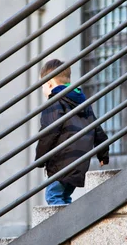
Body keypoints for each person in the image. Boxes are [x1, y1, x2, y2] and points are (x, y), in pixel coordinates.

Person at [35, 59, 109, 205]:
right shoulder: (82, 103)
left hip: (61, 164)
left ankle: (60, 228)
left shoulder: (54, 103)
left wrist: (40, 159)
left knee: (53, 197)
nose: (43, 89)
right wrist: (103, 154)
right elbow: (97, 129)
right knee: (65, 197)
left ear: (49, 83)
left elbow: (48, 133)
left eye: (42, 85)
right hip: (80, 162)